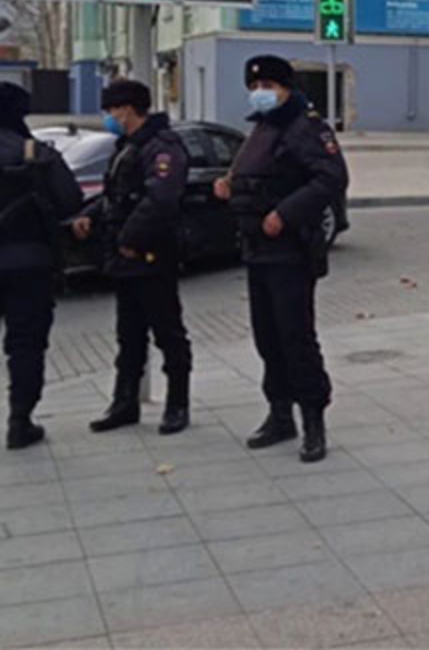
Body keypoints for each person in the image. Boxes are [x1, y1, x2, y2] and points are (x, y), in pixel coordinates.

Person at [213, 55, 347, 464]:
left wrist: (286, 214)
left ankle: (313, 421)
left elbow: (331, 178)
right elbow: (256, 177)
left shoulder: (305, 127)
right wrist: (229, 186)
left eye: (269, 86)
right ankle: (280, 413)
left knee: (295, 337)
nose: (261, 92)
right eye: (256, 86)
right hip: (258, 250)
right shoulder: (263, 127)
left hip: (290, 250)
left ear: (288, 88)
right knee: (267, 338)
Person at [73, 80, 192, 436]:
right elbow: (117, 195)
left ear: (127, 109)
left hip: (152, 254)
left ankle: (177, 404)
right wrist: (90, 215)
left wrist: (129, 238)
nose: (109, 117)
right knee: (129, 335)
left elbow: (161, 200)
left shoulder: (162, 147)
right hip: (125, 258)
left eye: (112, 110)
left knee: (168, 333)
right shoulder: (128, 146)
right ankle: (124, 403)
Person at [0, 82, 83, 450]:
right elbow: (70, 201)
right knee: (26, 343)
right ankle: (20, 421)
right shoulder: (36, 153)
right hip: (28, 263)